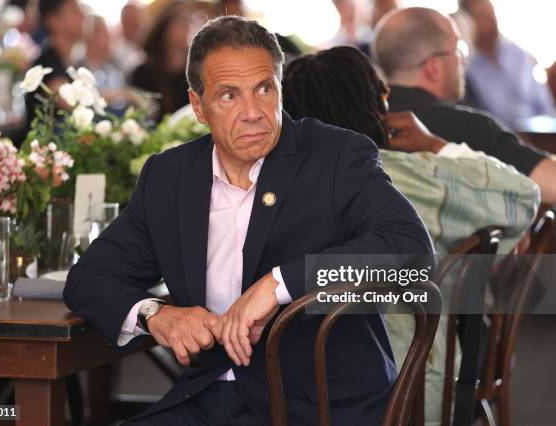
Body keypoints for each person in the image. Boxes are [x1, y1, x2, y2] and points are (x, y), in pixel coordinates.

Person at [64, 16, 434, 426]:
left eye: (264, 89)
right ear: (198, 106)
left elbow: (412, 252)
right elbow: (89, 279)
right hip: (207, 395)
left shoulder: (336, 156)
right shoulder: (171, 176)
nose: (253, 112)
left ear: (280, 89)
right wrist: (156, 314)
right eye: (228, 96)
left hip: (320, 406)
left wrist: (278, 285)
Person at [281, 45, 539, 425]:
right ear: (380, 100)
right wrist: (436, 145)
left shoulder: (276, 189)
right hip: (417, 391)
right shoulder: (416, 177)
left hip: (298, 397)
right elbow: (522, 195)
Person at [372, 7, 556, 204]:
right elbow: (551, 183)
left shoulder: (361, 121)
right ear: (434, 68)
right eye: (459, 50)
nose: (464, 60)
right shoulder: (469, 129)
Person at [460, 0, 554, 128]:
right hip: (496, 139)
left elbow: (544, 105)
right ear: (468, 21)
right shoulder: (465, 65)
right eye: (482, 16)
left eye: (491, 13)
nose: (491, 20)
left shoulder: (520, 55)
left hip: (536, 135)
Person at [24, 0, 85, 133]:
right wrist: (121, 94)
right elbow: (71, 101)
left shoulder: (77, 63)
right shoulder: (44, 65)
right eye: (75, 11)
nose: (83, 15)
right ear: (53, 20)